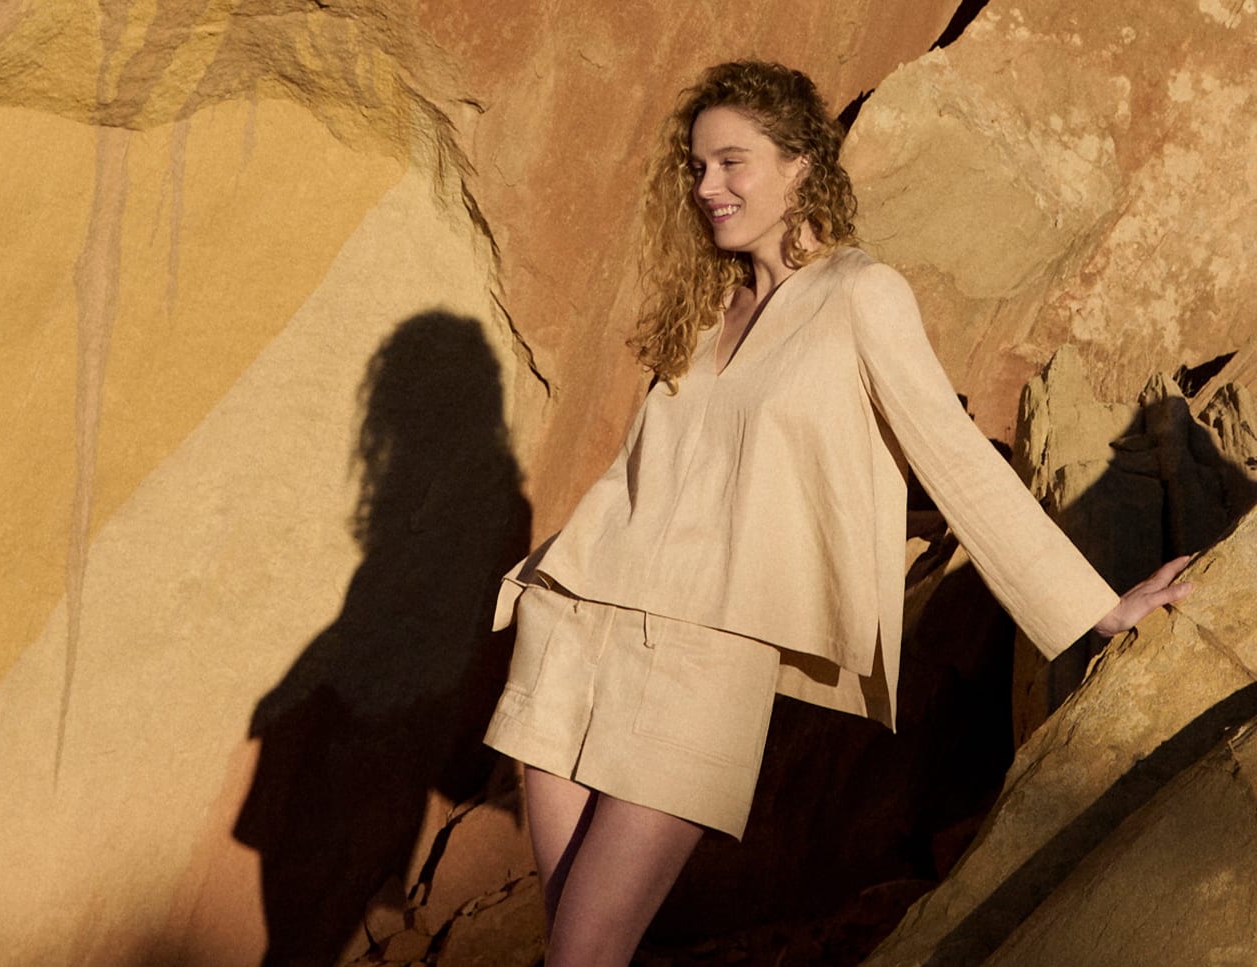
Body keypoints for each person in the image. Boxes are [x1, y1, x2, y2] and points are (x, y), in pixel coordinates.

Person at [476, 60, 1196, 967]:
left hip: (708, 653)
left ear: (801, 164)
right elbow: (643, 475)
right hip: (577, 624)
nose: (708, 187)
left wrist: (1098, 610)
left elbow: (955, 456)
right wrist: (548, 589)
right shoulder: (707, 309)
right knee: (569, 950)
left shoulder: (861, 293)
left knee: (587, 951)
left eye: (732, 162)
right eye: (696, 168)